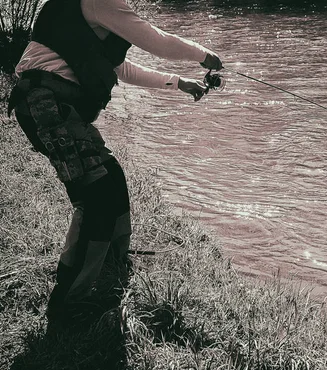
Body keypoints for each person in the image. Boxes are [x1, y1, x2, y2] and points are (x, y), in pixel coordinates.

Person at [7, 0, 223, 329]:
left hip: (48, 104)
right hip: (46, 104)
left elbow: (120, 69)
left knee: (111, 180)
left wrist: (178, 82)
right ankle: (72, 301)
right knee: (97, 196)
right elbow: (158, 41)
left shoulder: (89, 11)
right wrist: (204, 56)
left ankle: (112, 269)